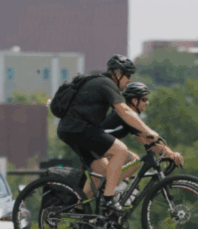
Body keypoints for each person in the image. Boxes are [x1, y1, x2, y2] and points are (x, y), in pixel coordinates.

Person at [56, 55, 160, 213]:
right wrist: (148, 131)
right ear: (118, 74)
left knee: (102, 174)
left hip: (70, 130)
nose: (129, 81)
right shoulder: (106, 84)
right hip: (78, 129)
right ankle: (109, 200)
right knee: (121, 150)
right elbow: (124, 110)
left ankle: (77, 210)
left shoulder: (101, 82)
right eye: (128, 76)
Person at [98, 82, 185, 199]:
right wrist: (171, 154)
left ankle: (113, 194)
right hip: (98, 148)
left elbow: (147, 141)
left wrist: (168, 153)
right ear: (134, 101)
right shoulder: (128, 116)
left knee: (132, 159)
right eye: (144, 99)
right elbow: (150, 142)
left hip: (101, 148)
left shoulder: (126, 114)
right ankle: (113, 194)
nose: (147, 102)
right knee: (133, 160)